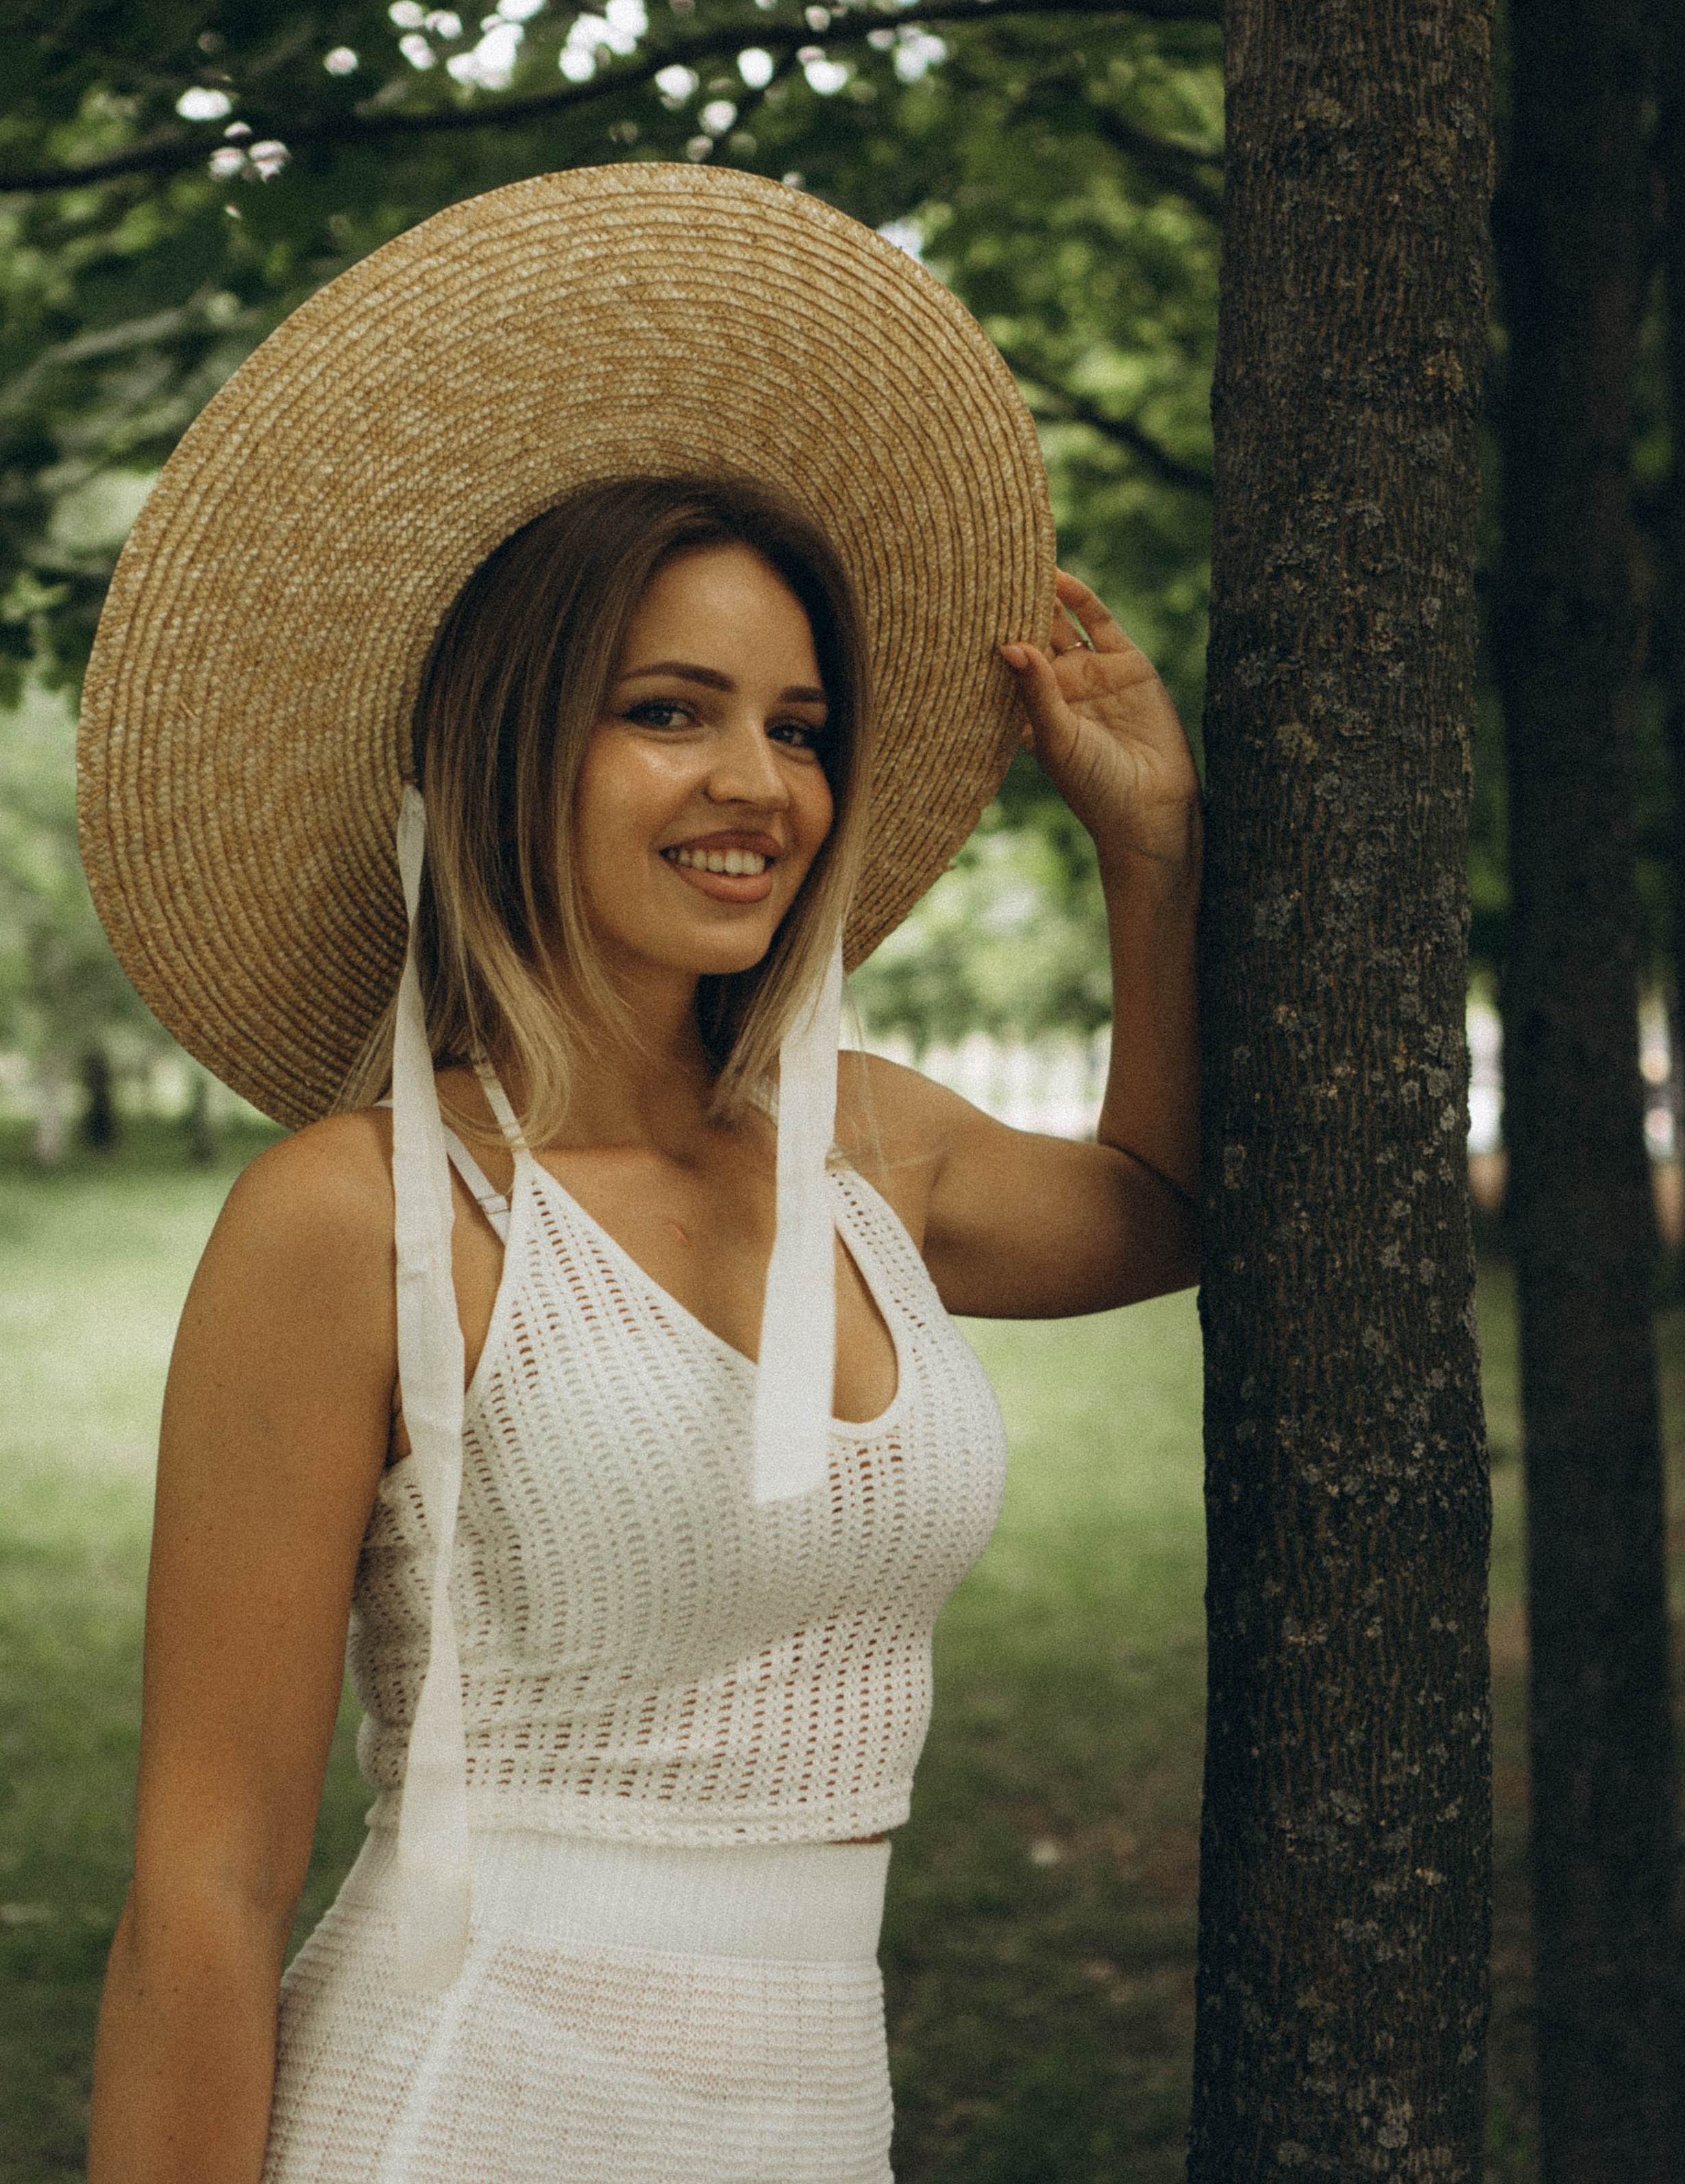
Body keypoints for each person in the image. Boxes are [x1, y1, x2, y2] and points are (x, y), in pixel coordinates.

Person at [78, 167, 1201, 2184]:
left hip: (808, 2116)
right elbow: (206, 1894)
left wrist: (1153, 853)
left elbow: (1166, 1205)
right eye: (667, 715)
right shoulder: (356, 1224)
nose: (757, 786)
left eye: (797, 722)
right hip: (462, 2108)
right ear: (516, 749)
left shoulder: (875, 1143)